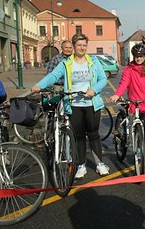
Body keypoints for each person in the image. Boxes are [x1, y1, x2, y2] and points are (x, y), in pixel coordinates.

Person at [31, 33, 110, 179]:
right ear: (74, 46)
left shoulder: (93, 61)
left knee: (93, 134)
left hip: (91, 104)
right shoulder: (66, 63)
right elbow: (53, 76)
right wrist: (39, 85)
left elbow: (103, 79)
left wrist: (94, 90)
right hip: (73, 103)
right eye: (79, 45)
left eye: (84, 45)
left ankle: (99, 164)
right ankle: (81, 165)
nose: (82, 48)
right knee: (79, 136)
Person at [109, 43, 145, 167]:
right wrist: (117, 94)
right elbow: (124, 83)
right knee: (134, 128)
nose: (138, 58)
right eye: (136, 56)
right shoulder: (129, 69)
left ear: (144, 57)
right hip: (134, 104)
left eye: (141, 56)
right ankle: (130, 141)